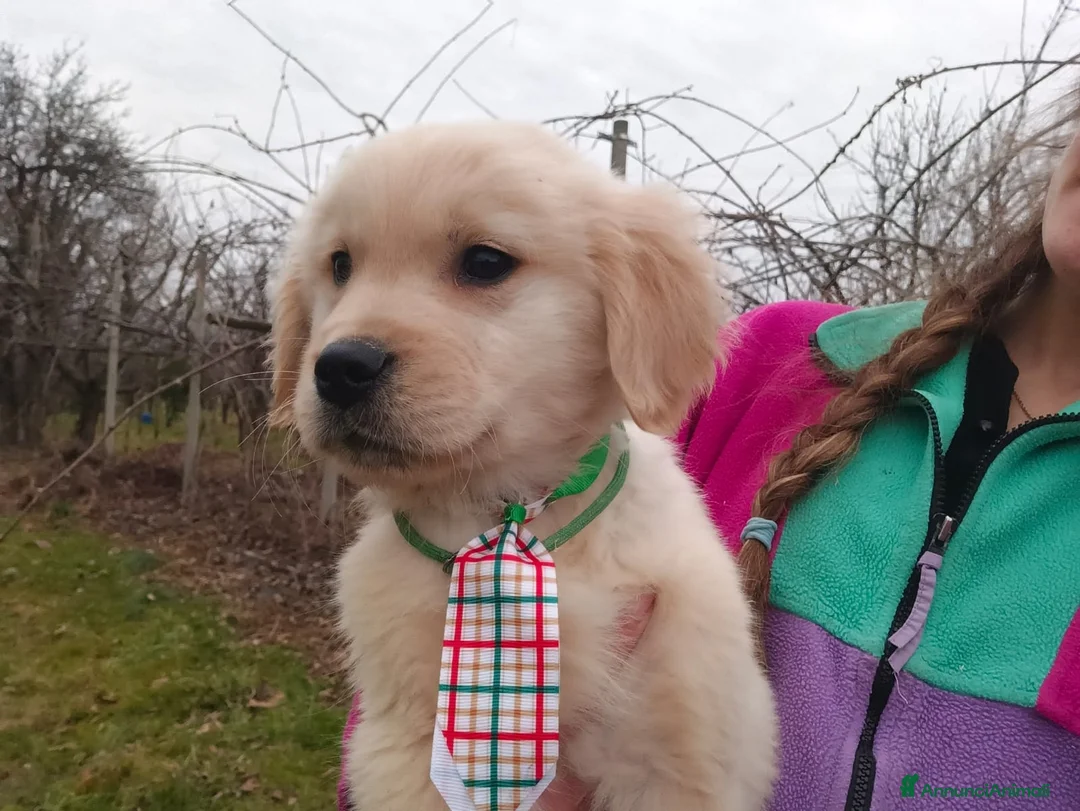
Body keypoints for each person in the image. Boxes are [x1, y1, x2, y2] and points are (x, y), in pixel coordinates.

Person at [338, 126, 1080, 811]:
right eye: (339, 265)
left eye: (483, 263)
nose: (347, 337)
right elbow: (400, 742)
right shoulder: (765, 365)